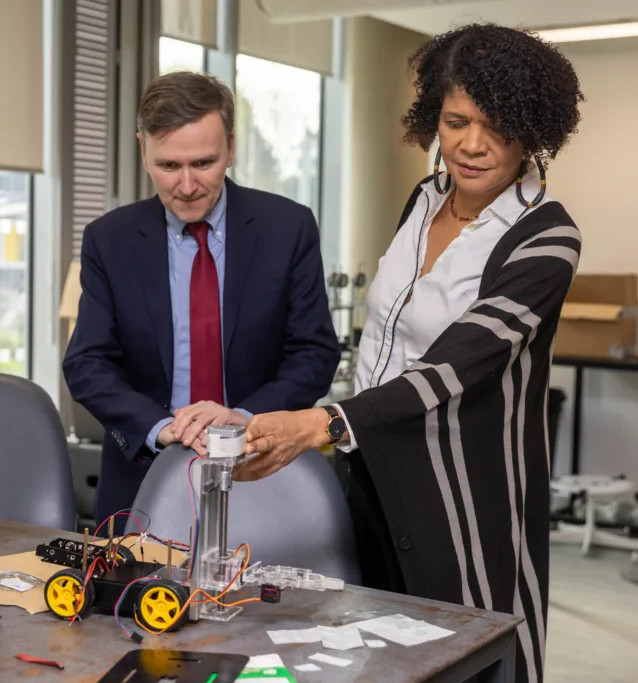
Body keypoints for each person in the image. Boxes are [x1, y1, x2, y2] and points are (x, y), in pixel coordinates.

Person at [231, 24, 584, 683]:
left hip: (466, 495)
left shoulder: (547, 235)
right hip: (374, 469)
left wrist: (326, 422)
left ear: (533, 129)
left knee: (475, 657)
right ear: (434, 119)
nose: (472, 145)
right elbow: (388, 343)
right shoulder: (422, 202)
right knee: (380, 652)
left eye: (497, 125)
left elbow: (458, 363)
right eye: (456, 121)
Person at [62, 71, 341, 529]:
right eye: (169, 166)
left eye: (204, 163)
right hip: (141, 477)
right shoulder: (108, 240)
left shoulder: (287, 228)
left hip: (263, 471)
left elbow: (314, 352)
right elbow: (87, 364)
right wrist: (160, 426)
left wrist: (244, 419)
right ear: (143, 150)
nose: (187, 185)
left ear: (230, 147)